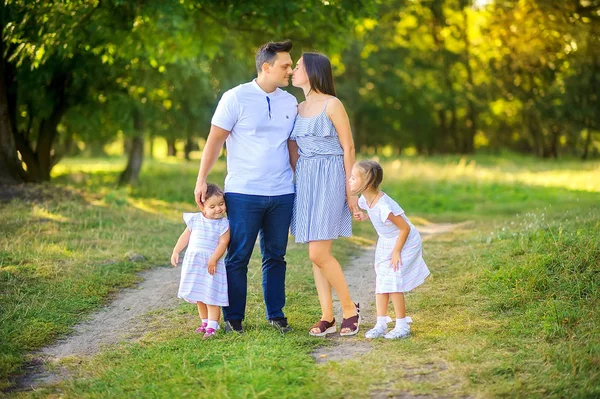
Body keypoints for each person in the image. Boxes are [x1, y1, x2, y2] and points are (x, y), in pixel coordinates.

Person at [194, 41, 297, 334]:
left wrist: (299, 183)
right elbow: (214, 141)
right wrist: (202, 179)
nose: (290, 70)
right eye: (285, 65)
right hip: (243, 192)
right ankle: (233, 317)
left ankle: (276, 314)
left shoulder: (289, 102)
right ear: (267, 67)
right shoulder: (235, 97)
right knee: (238, 255)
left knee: (276, 255)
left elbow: (292, 149)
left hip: (281, 192)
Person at [289, 52, 360, 337]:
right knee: (316, 255)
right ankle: (327, 316)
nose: (292, 70)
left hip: (331, 176)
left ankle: (350, 310)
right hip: (305, 180)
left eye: (297, 66)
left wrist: (351, 191)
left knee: (318, 251)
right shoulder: (297, 107)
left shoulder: (333, 104)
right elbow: (293, 148)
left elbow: (349, 149)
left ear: (312, 71)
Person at [350, 160, 431, 339]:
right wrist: (362, 216)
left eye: (354, 177)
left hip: (405, 241)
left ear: (367, 182)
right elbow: (374, 215)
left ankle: (402, 325)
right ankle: (381, 323)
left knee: (394, 280)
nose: (349, 180)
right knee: (382, 280)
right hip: (387, 241)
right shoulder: (365, 200)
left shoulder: (383, 205)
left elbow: (405, 228)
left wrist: (396, 251)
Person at [171, 183, 230, 339]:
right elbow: (185, 237)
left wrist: (213, 259)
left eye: (221, 204)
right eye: (212, 206)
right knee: (199, 296)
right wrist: (176, 250)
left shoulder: (223, 224)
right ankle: (204, 322)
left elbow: (223, 243)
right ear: (202, 207)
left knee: (211, 296)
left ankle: (213, 326)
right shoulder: (195, 220)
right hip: (195, 264)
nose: (218, 209)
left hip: (212, 265)